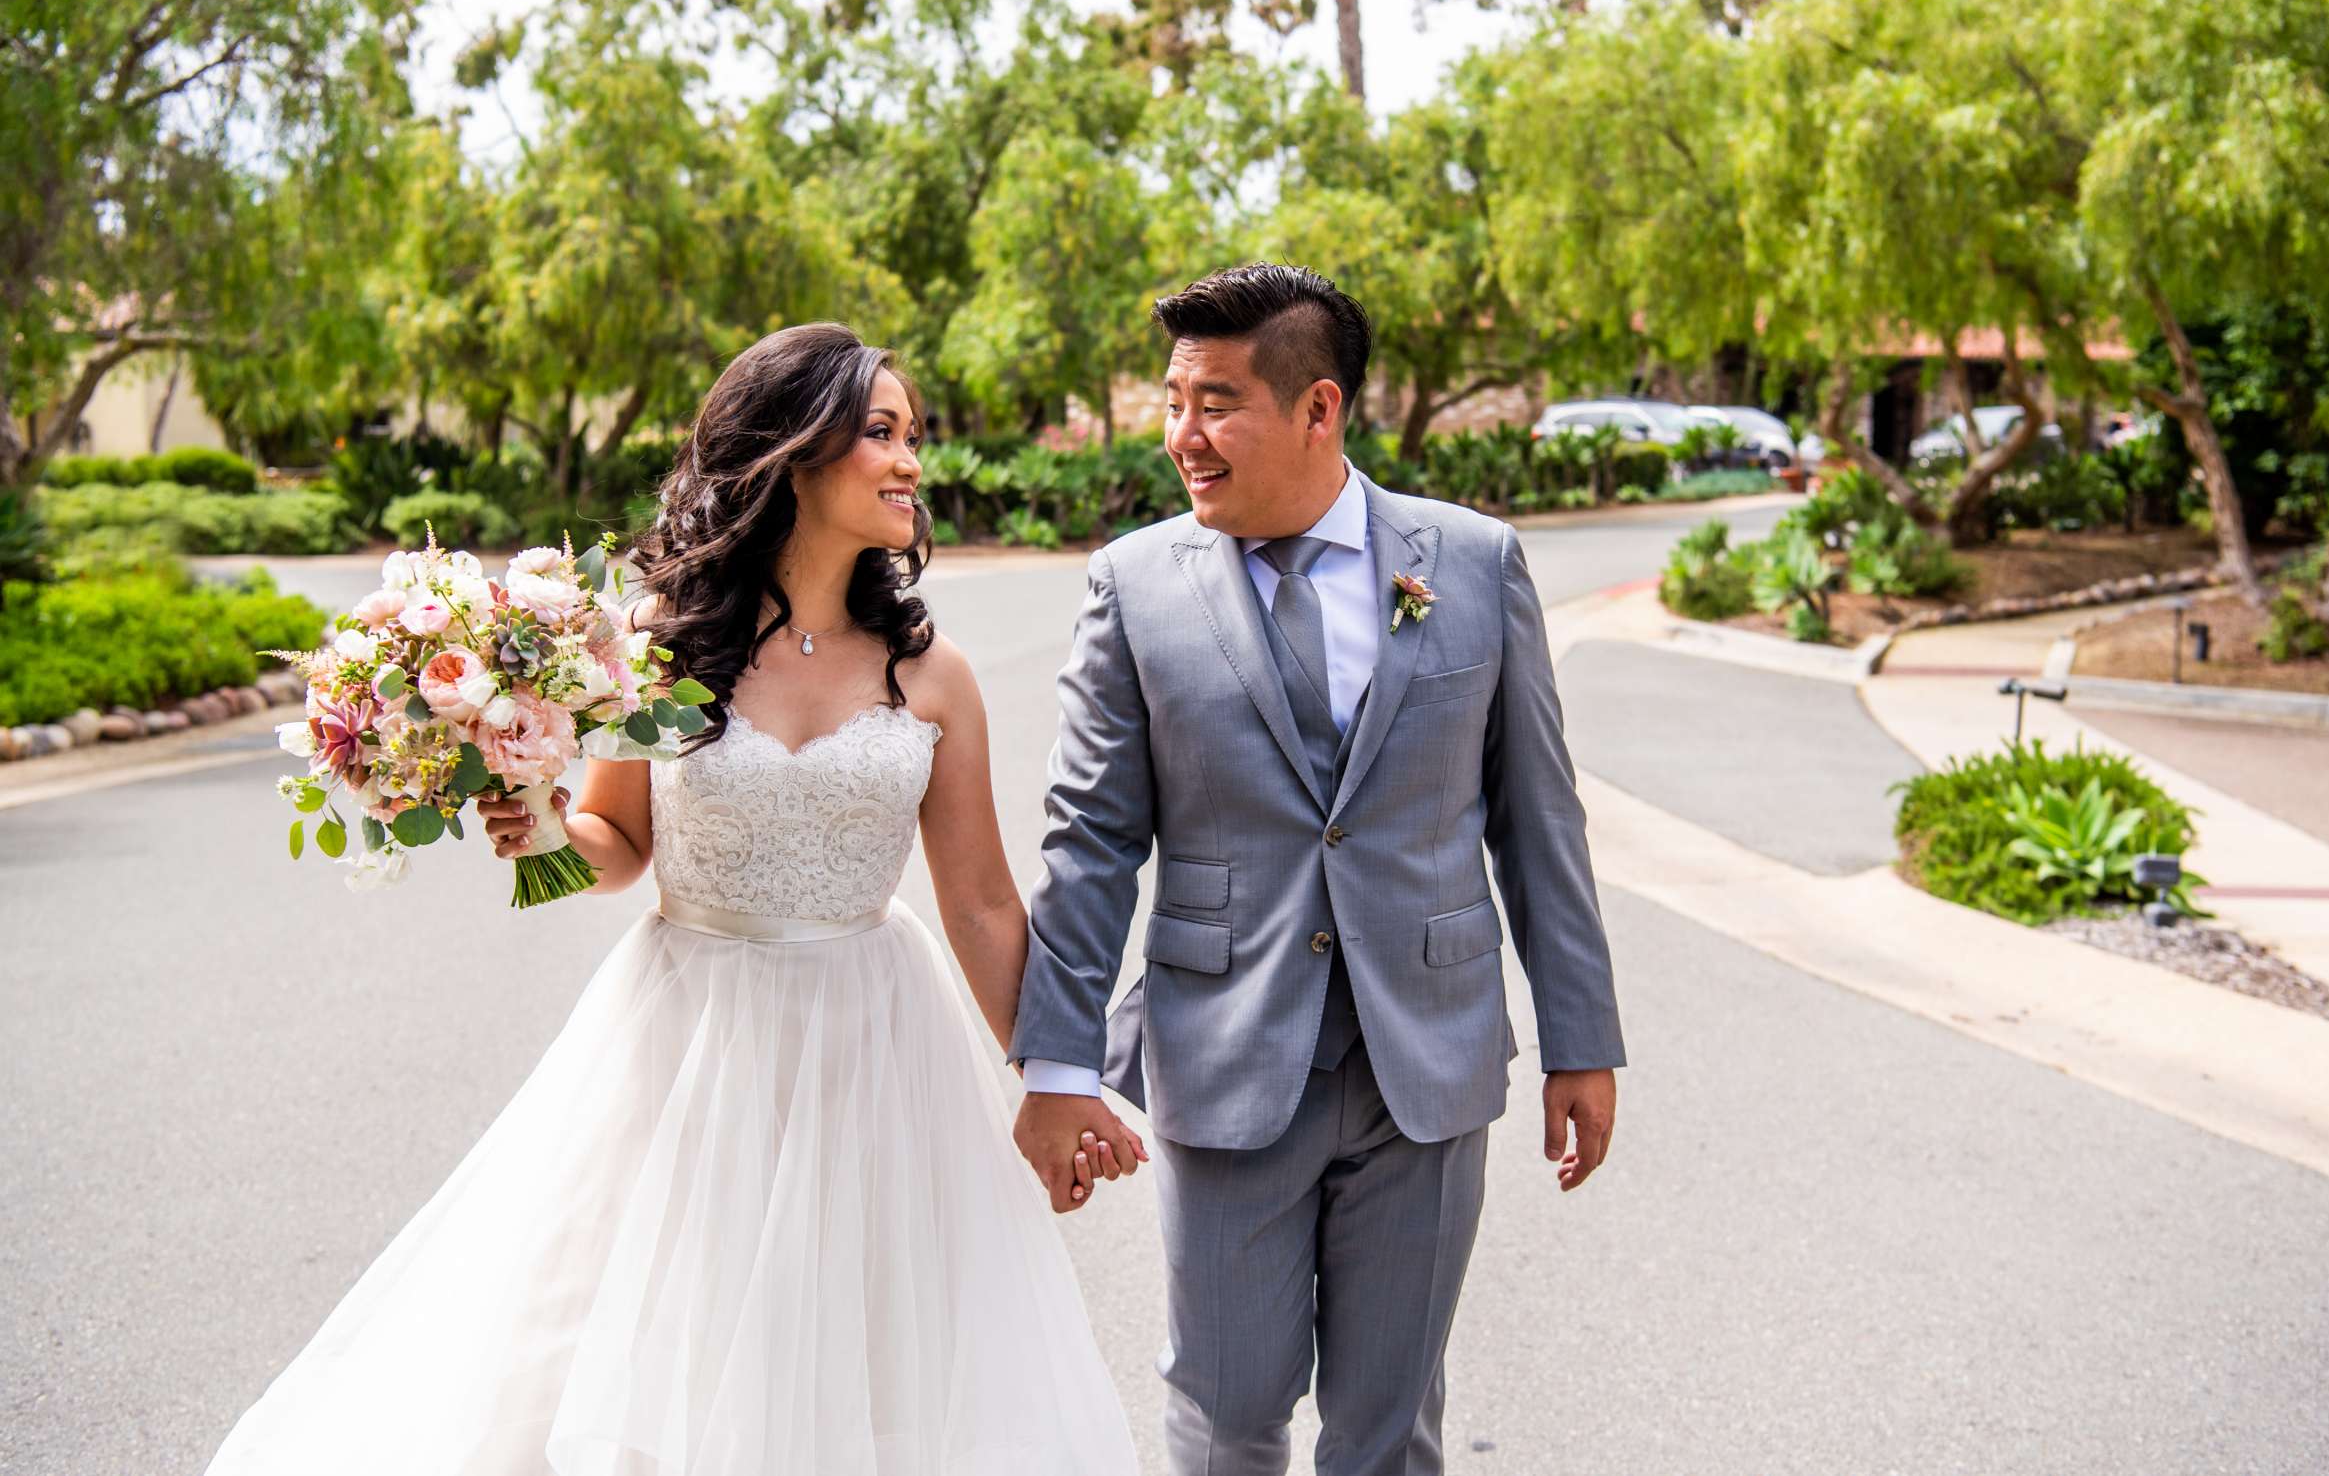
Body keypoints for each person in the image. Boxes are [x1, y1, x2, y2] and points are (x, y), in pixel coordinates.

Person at [205, 323, 1140, 1475]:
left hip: (877, 1048)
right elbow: (612, 849)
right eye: (882, 434)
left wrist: (1055, 1080)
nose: (911, 463)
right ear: (793, 454)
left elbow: (986, 905)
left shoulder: (931, 675)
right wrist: (535, 831)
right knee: (668, 1352)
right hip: (689, 1041)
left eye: (915, 438)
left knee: (869, 1356)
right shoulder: (659, 645)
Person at [1009, 264, 1625, 1475]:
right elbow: (1088, 842)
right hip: (1225, 1050)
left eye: (1217, 403)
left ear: (1320, 409)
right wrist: (1058, 1062)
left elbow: (1538, 819)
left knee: (1389, 1425)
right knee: (1227, 1412)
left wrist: (1582, 1040)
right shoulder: (1134, 586)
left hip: (1429, 1057)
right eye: (1174, 401)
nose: (1184, 436)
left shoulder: (1474, 562)